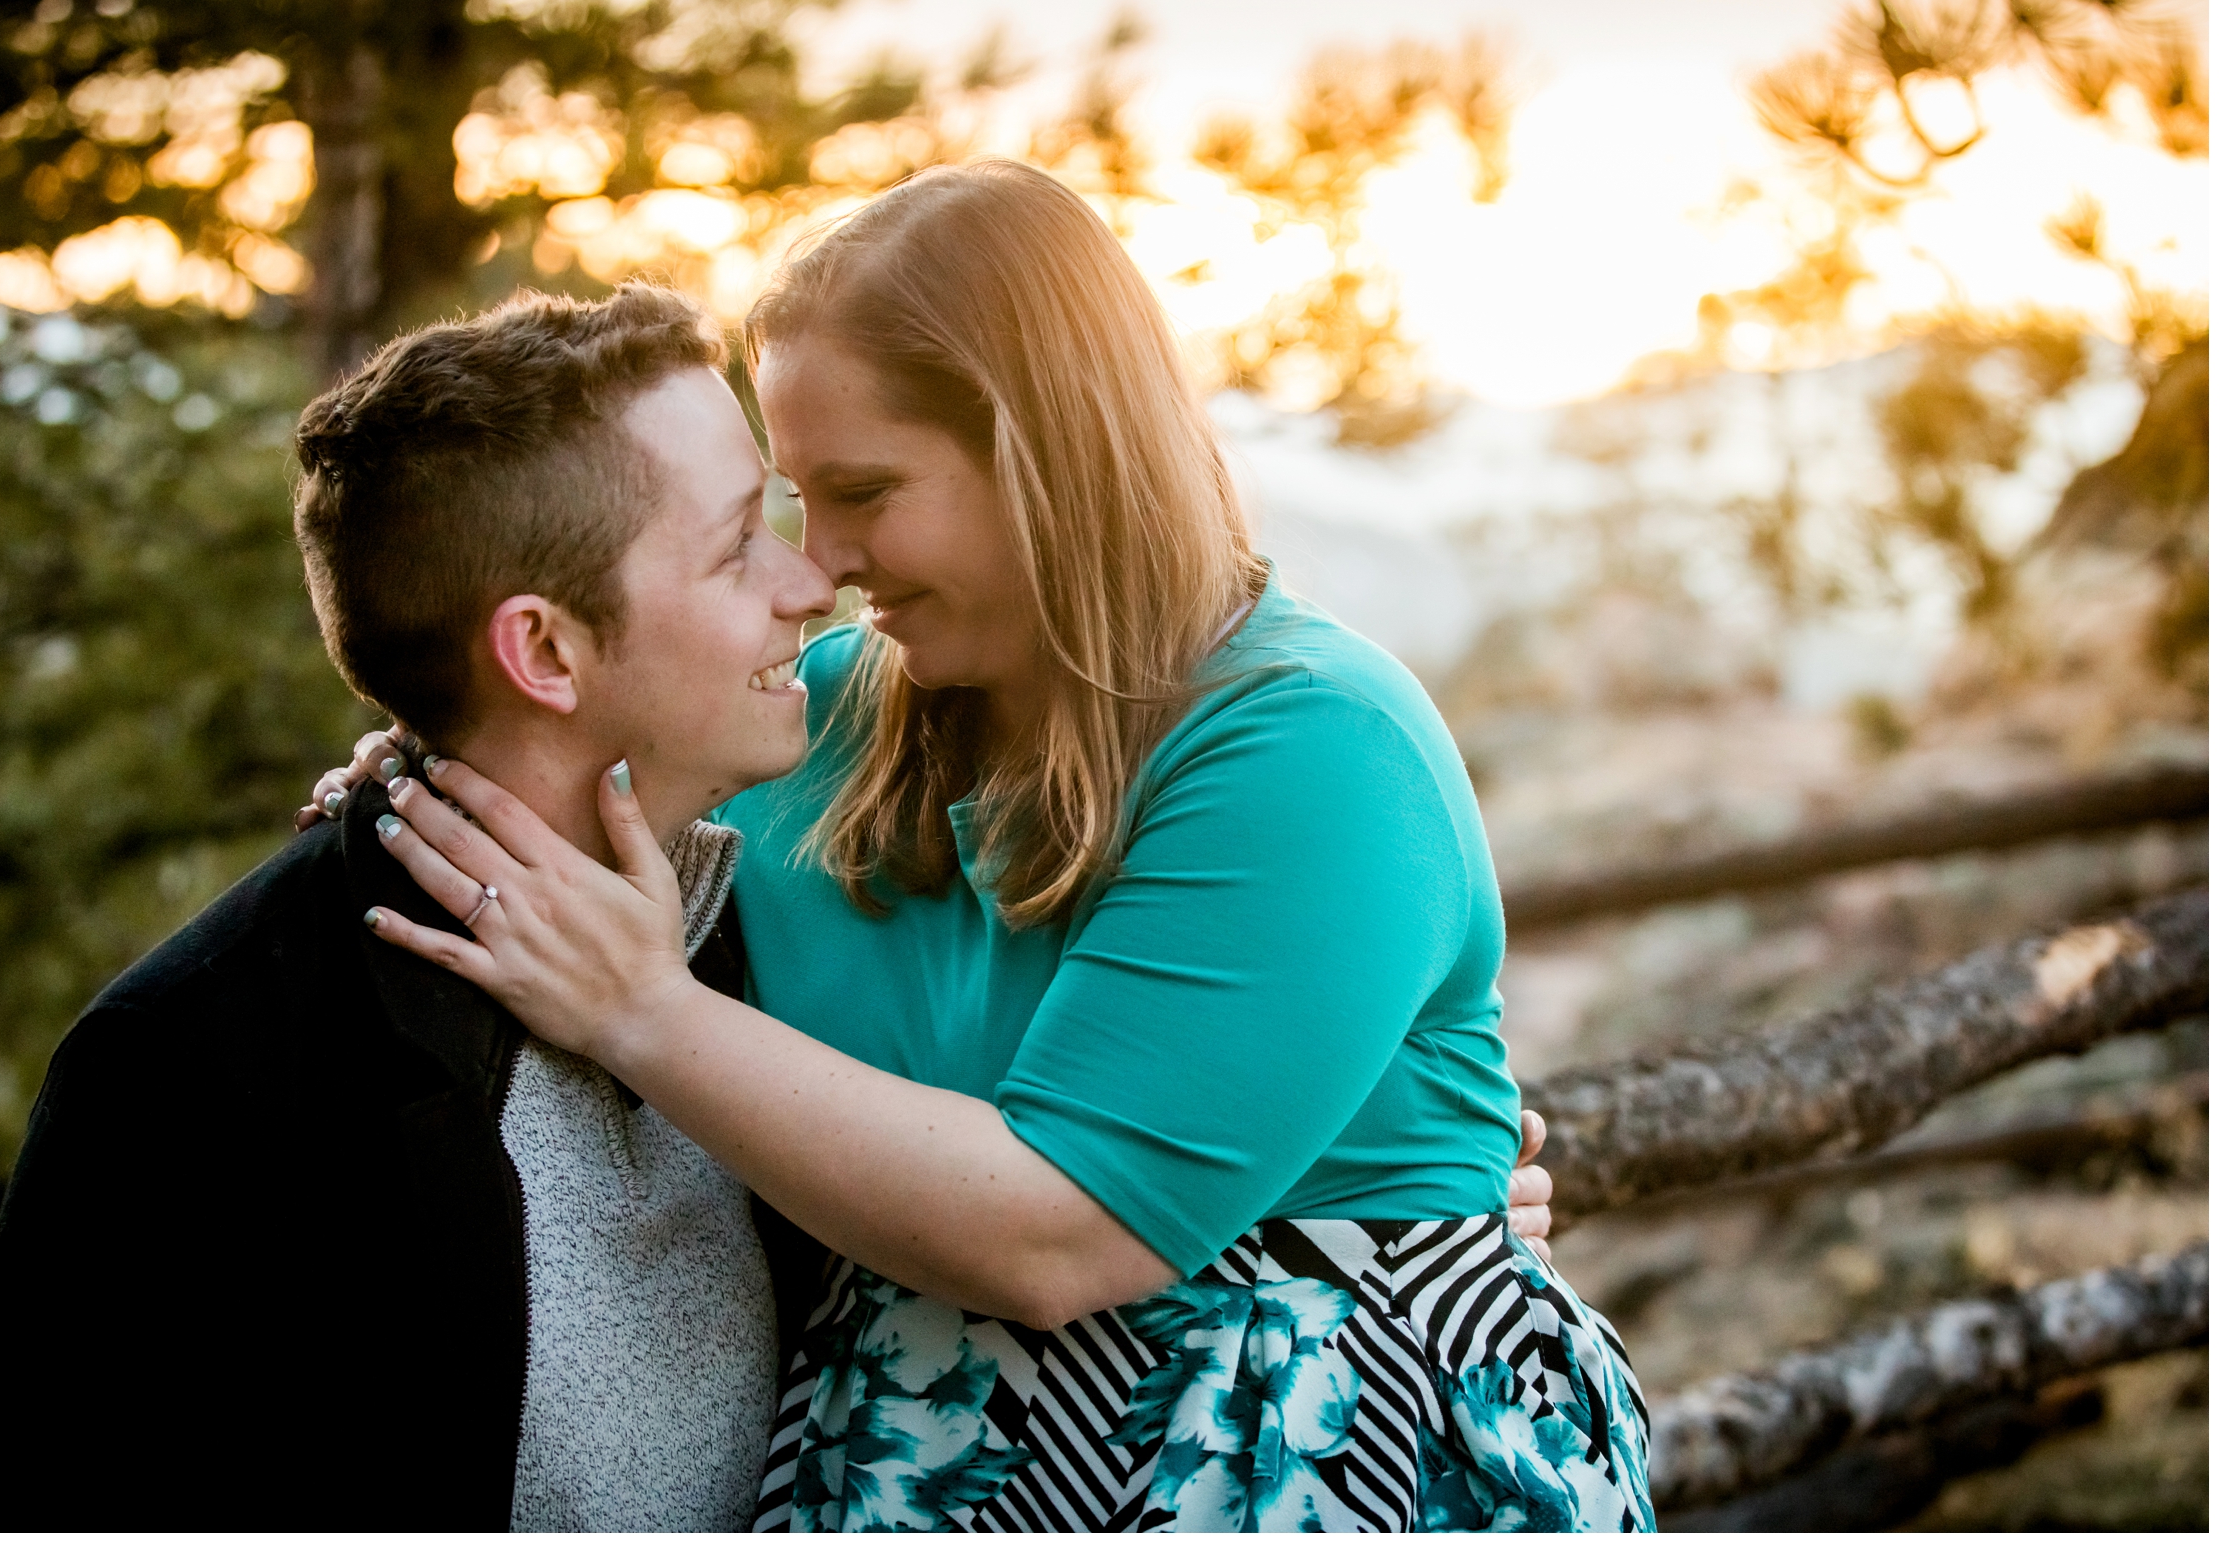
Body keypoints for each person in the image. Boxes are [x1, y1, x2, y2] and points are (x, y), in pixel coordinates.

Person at [343, 161, 1650, 1532]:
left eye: (863, 489)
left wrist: (643, 1014)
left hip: (1318, 1463)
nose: (824, 559)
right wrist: (398, 760)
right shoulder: (827, 715)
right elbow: (539, 741)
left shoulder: (1318, 745)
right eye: (793, 497)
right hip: (915, 1455)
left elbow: (1057, 1230)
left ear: (1049, 450)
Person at [0, 286, 840, 1530]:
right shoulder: (185, 1071)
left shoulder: (803, 910)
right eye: (739, 541)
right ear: (542, 653)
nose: (810, 580)